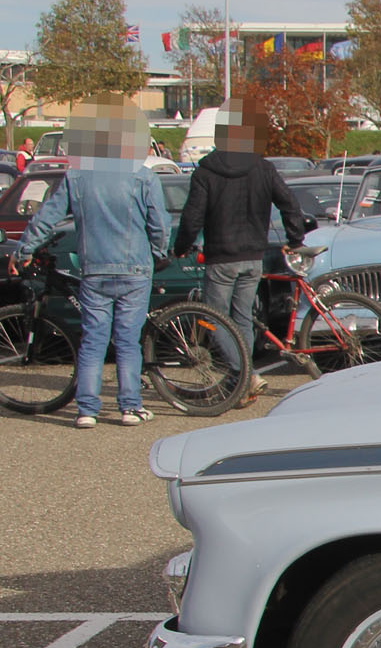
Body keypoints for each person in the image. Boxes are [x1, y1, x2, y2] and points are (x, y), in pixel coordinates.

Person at [4, 97, 168, 427]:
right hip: (135, 267)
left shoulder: (77, 177)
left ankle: (87, 410)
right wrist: (158, 252)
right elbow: (159, 225)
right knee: (127, 340)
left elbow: (46, 218)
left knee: (93, 339)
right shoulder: (143, 177)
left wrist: (22, 251)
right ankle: (129, 406)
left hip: (94, 267)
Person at [172, 97, 307, 401]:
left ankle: (245, 375)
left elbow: (192, 217)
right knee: (242, 319)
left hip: (221, 256)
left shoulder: (205, 172)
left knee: (213, 319)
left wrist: (182, 246)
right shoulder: (263, 168)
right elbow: (289, 203)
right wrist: (295, 238)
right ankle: (243, 380)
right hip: (253, 257)